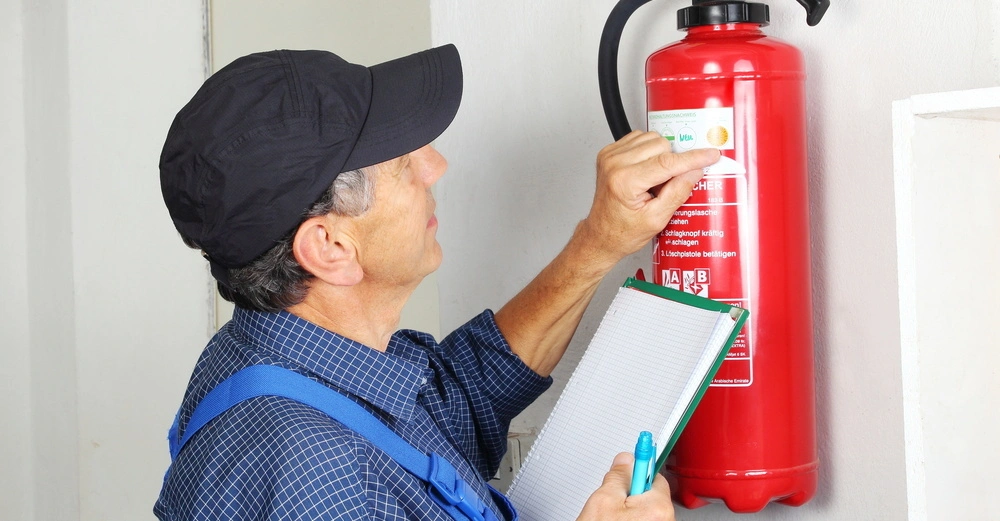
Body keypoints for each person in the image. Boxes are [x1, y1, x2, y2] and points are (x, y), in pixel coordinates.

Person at [156, 43, 719, 521]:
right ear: (330, 248)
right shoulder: (323, 479)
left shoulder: (278, 358)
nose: (435, 167)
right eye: (402, 163)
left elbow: (456, 406)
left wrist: (599, 242)